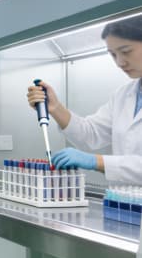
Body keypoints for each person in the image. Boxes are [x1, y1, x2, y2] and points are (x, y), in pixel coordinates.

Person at [27, 15, 142, 184]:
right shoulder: (124, 95)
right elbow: (91, 134)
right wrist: (55, 107)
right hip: (127, 198)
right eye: (113, 54)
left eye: (126, 51)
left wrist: (97, 161)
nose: (119, 62)